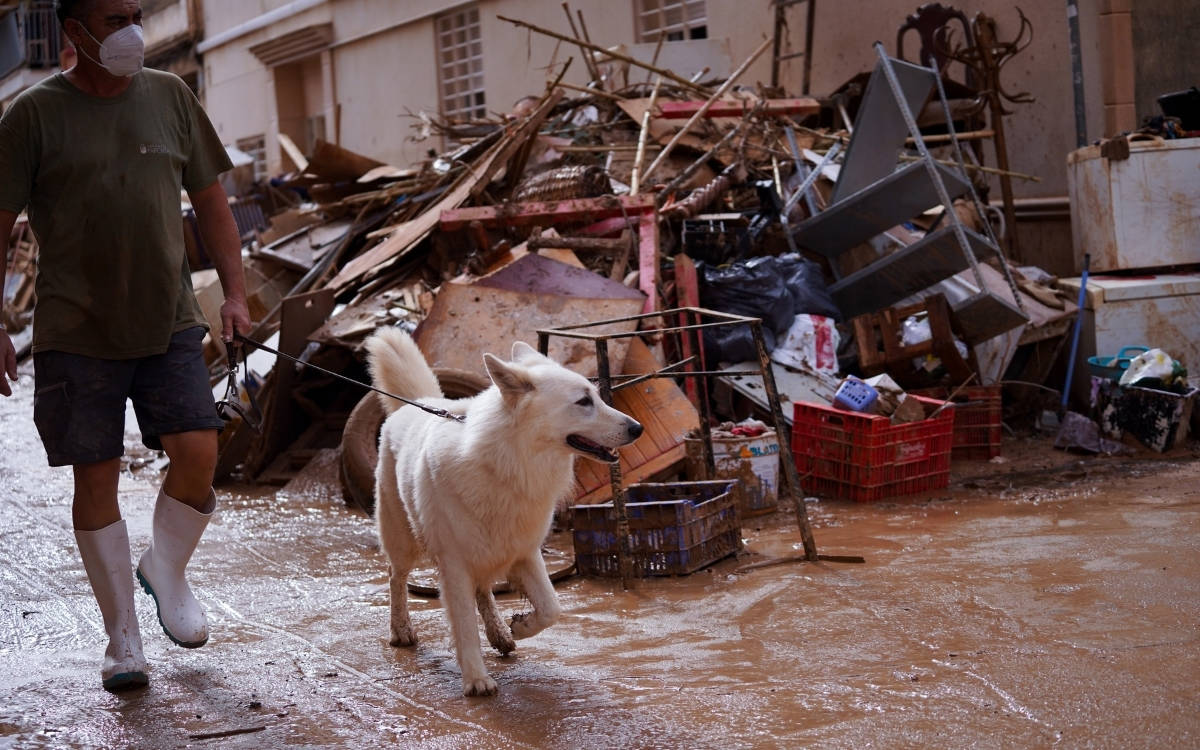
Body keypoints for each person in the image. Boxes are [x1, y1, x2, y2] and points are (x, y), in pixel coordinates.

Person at [0, 0, 251, 692]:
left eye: (136, 12)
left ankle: (164, 570)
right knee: (96, 474)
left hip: (166, 317)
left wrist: (233, 292)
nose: (132, 30)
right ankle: (123, 642)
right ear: (74, 30)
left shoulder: (170, 96)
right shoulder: (32, 116)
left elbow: (213, 203)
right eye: (114, 18)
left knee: (200, 449)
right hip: (75, 329)